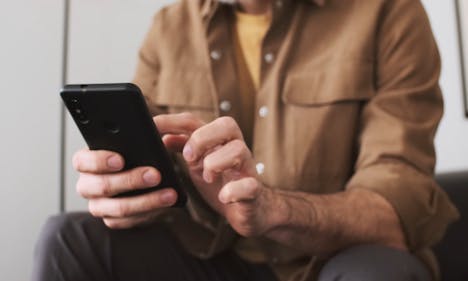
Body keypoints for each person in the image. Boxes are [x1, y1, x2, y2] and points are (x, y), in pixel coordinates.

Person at [32, 0, 460, 280]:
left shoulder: (389, 13)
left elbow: (395, 209)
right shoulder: (169, 26)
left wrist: (274, 210)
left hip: (331, 262)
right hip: (209, 255)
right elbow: (153, 177)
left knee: (378, 274)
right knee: (66, 238)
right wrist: (123, 196)